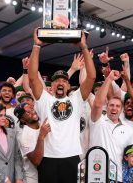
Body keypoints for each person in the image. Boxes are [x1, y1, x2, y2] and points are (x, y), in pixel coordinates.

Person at [28, 28, 96, 183]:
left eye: (64, 80)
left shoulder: (76, 99)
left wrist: (84, 47)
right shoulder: (44, 99)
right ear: (51, 85)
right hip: (48, 157)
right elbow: (32, 78)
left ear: (68, 85)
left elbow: (91, 77)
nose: (61, 82)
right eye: (57, 80)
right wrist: (37, 46)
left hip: (71, 156)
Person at [90, 70, 133, 182]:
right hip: (95, 176)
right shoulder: (98, 121)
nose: (114, 108)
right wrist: (109, 79)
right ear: (107, 107)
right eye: (111, 105)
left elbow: (131, 156)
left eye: (117, 106)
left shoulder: (128, 130)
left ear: (122, 110)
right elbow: (97, 104)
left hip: (118, 177)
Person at [15, 103, 51, 183]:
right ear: (22, 120)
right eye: (27, 113)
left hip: (49, 174)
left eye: (31, 109)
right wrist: (41, 136)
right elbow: (36, 161)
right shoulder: (24, 136)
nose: (32, 112)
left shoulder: (43, 122)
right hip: (33, 178)